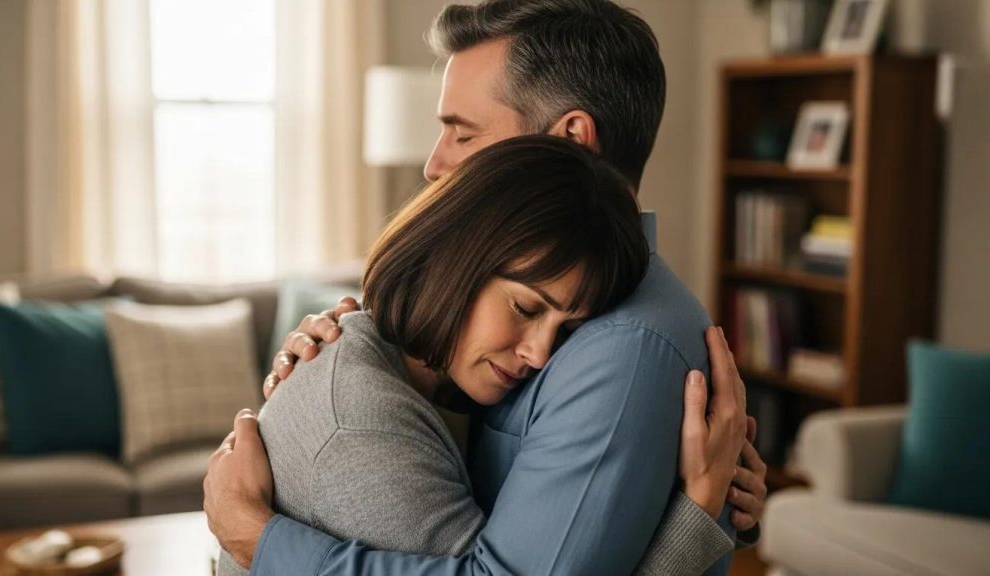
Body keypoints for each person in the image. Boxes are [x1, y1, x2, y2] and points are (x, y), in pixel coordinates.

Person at [204, 1, 768, 574]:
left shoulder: (622, 345)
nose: (434, 165)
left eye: (463, 134)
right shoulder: (501, 339)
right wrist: (351, 345)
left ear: (570, 141)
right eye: (526, 308)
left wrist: (255, 537)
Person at [217, 135, 731, 575]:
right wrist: (697, 511)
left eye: (568, 329)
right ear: (455, 256)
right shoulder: (361, 427)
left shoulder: (429, 382)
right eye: (525, 307)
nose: (540, 354)